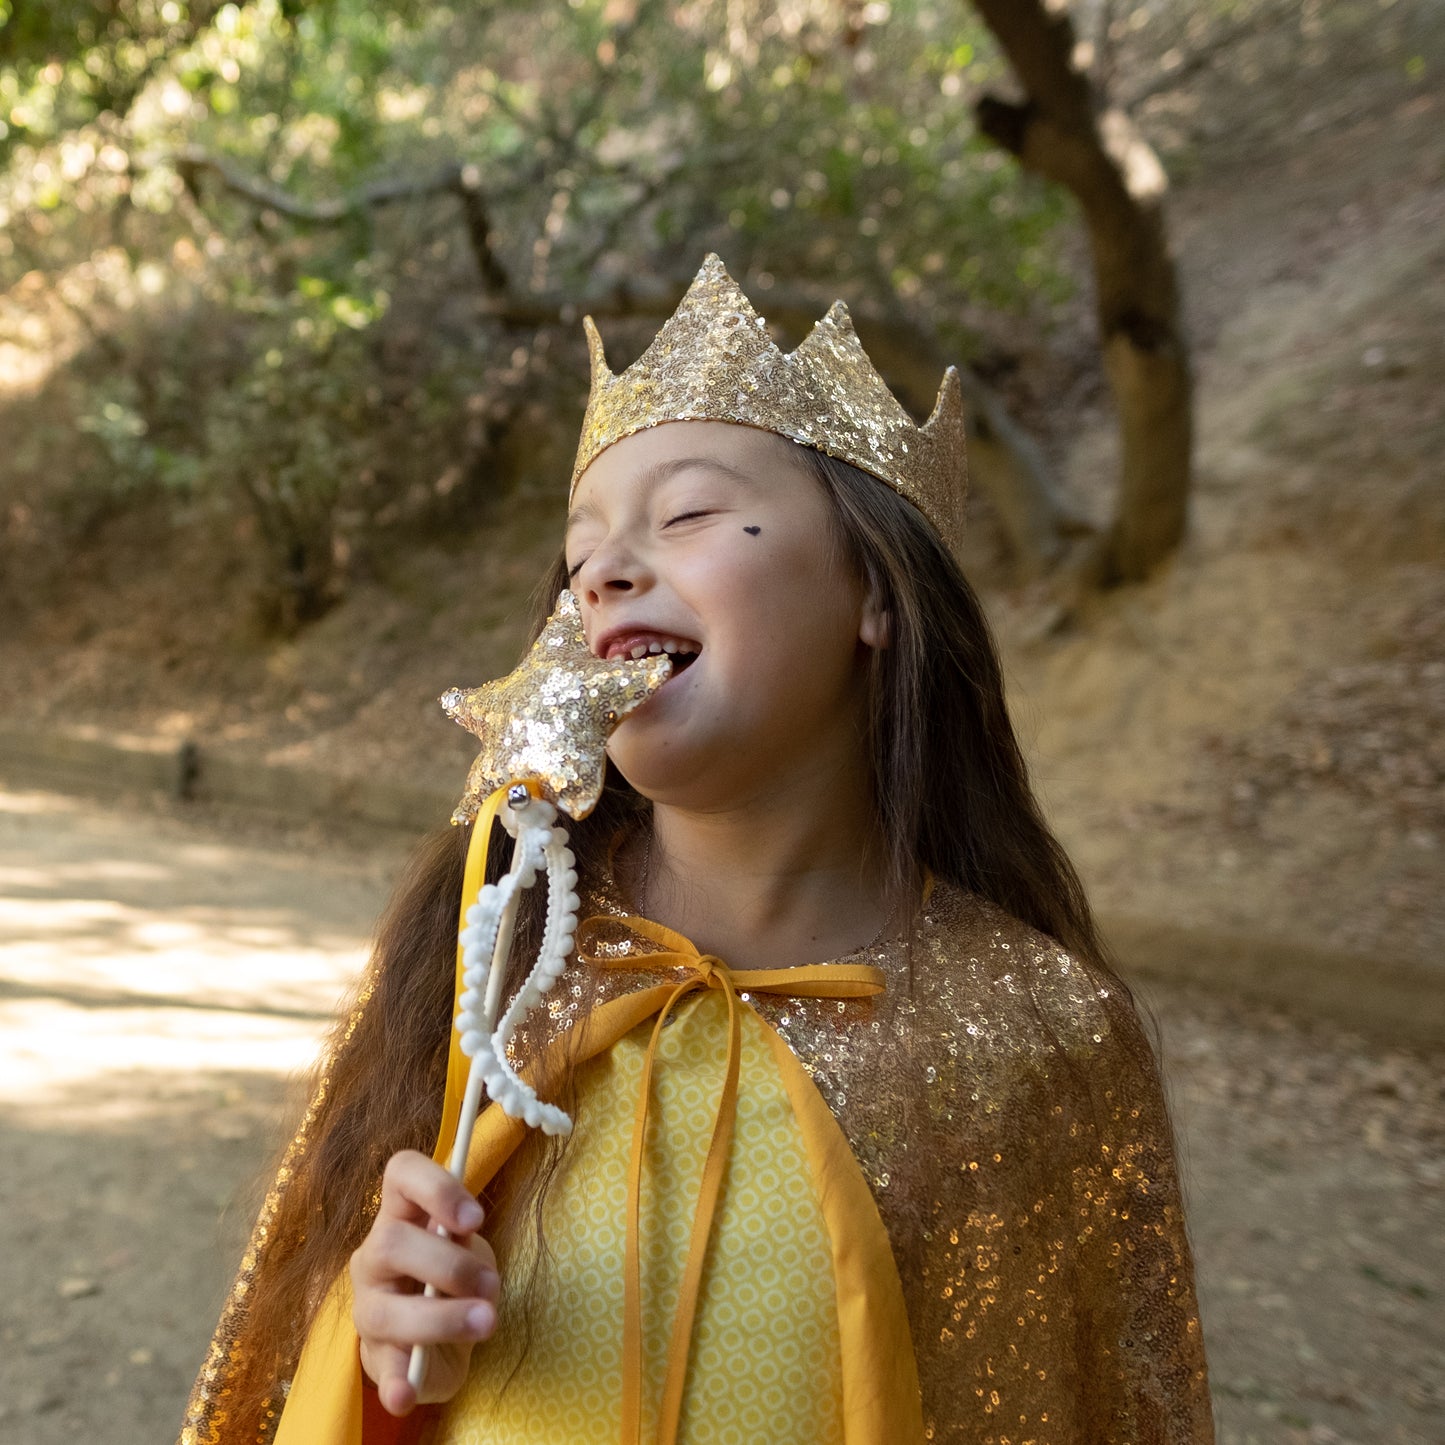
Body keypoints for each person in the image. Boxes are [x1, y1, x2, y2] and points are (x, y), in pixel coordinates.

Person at [180, 255, 1214, 1445]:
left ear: (874, 591)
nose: (605, 570)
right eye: (582, 551)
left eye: (685, 514)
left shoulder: (1045, 1037)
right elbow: (323, 1381)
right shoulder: (488, 976)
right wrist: (380, 1353)